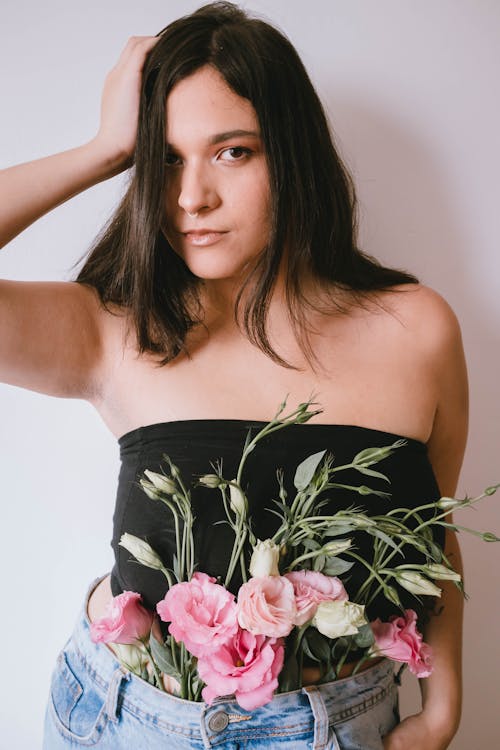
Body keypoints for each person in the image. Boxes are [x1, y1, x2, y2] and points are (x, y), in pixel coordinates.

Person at [0, 2, 467, 748]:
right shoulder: (118, 328)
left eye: (232, 152)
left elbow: (433, 532)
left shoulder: (416, 330)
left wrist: (444, 709)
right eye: (166, 159)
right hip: (126, 723)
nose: (191, 199)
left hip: (334, 728)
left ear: (292, 154)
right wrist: (103, 148)